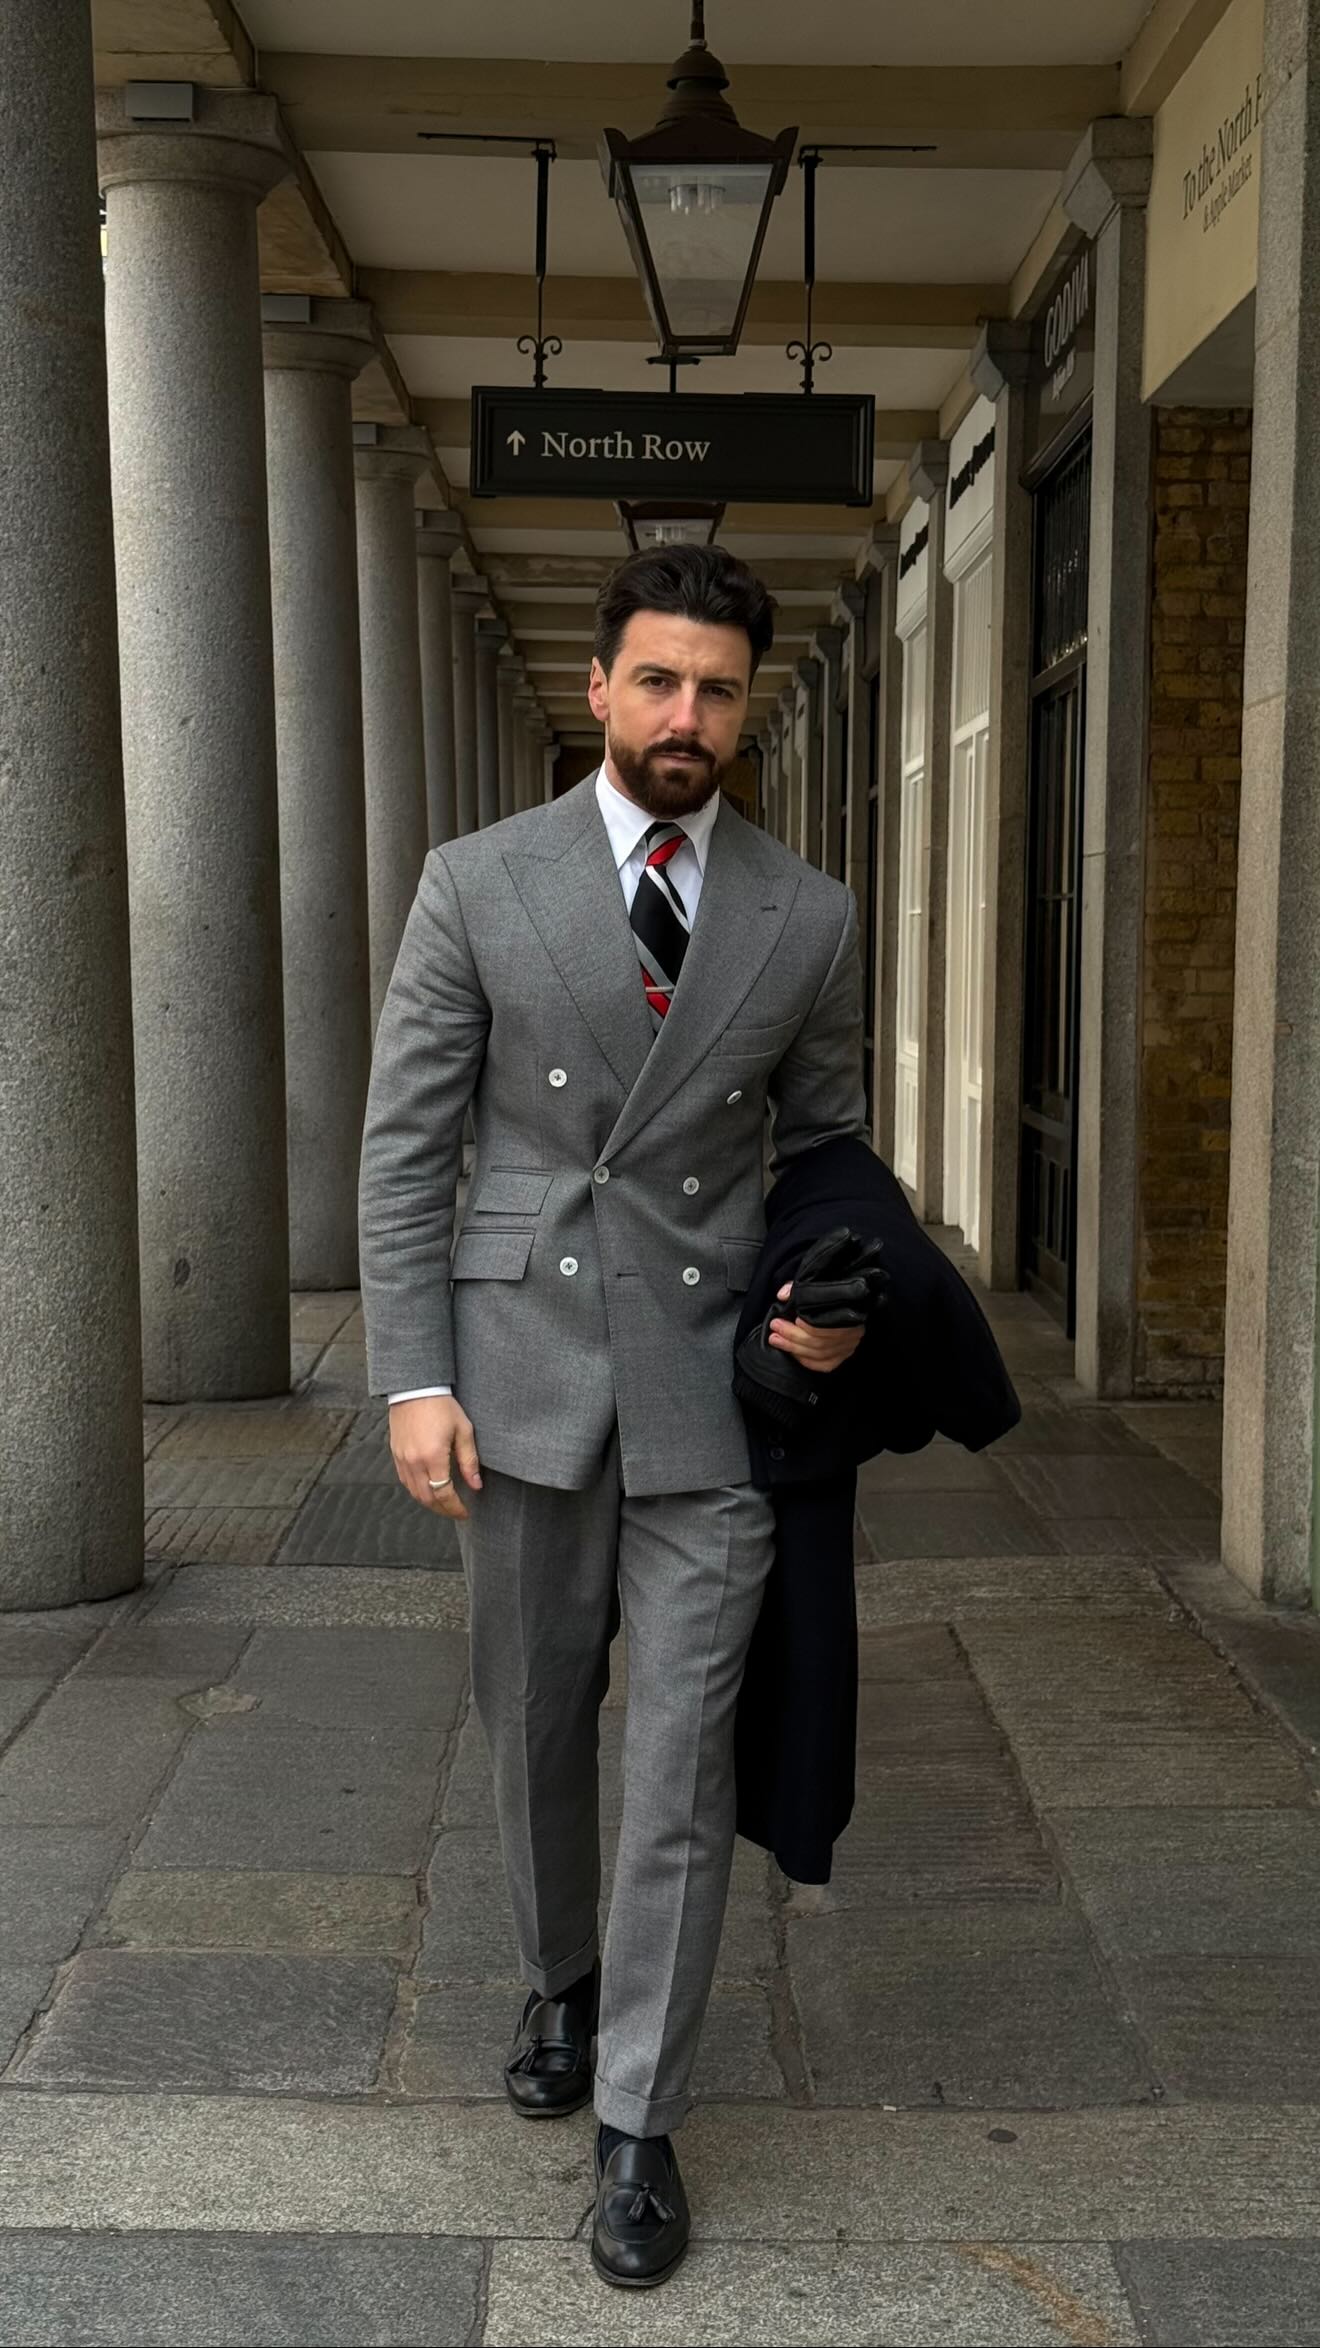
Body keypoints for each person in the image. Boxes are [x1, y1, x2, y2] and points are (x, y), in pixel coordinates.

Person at [357, 542, 867, 2289]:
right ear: (599, 688)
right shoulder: (477, 881)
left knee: (682, 1756)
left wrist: (831, 1305)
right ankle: (559, 1980)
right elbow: (408, 1147)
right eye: (656, 680)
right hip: (519, 1373)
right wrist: (414, 1376)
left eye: (716, 688)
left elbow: (826, 1152)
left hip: (716, 1389)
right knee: (535, 1719)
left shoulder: (807, 914)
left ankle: (638, 2120)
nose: (684, 716)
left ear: (748, 704)